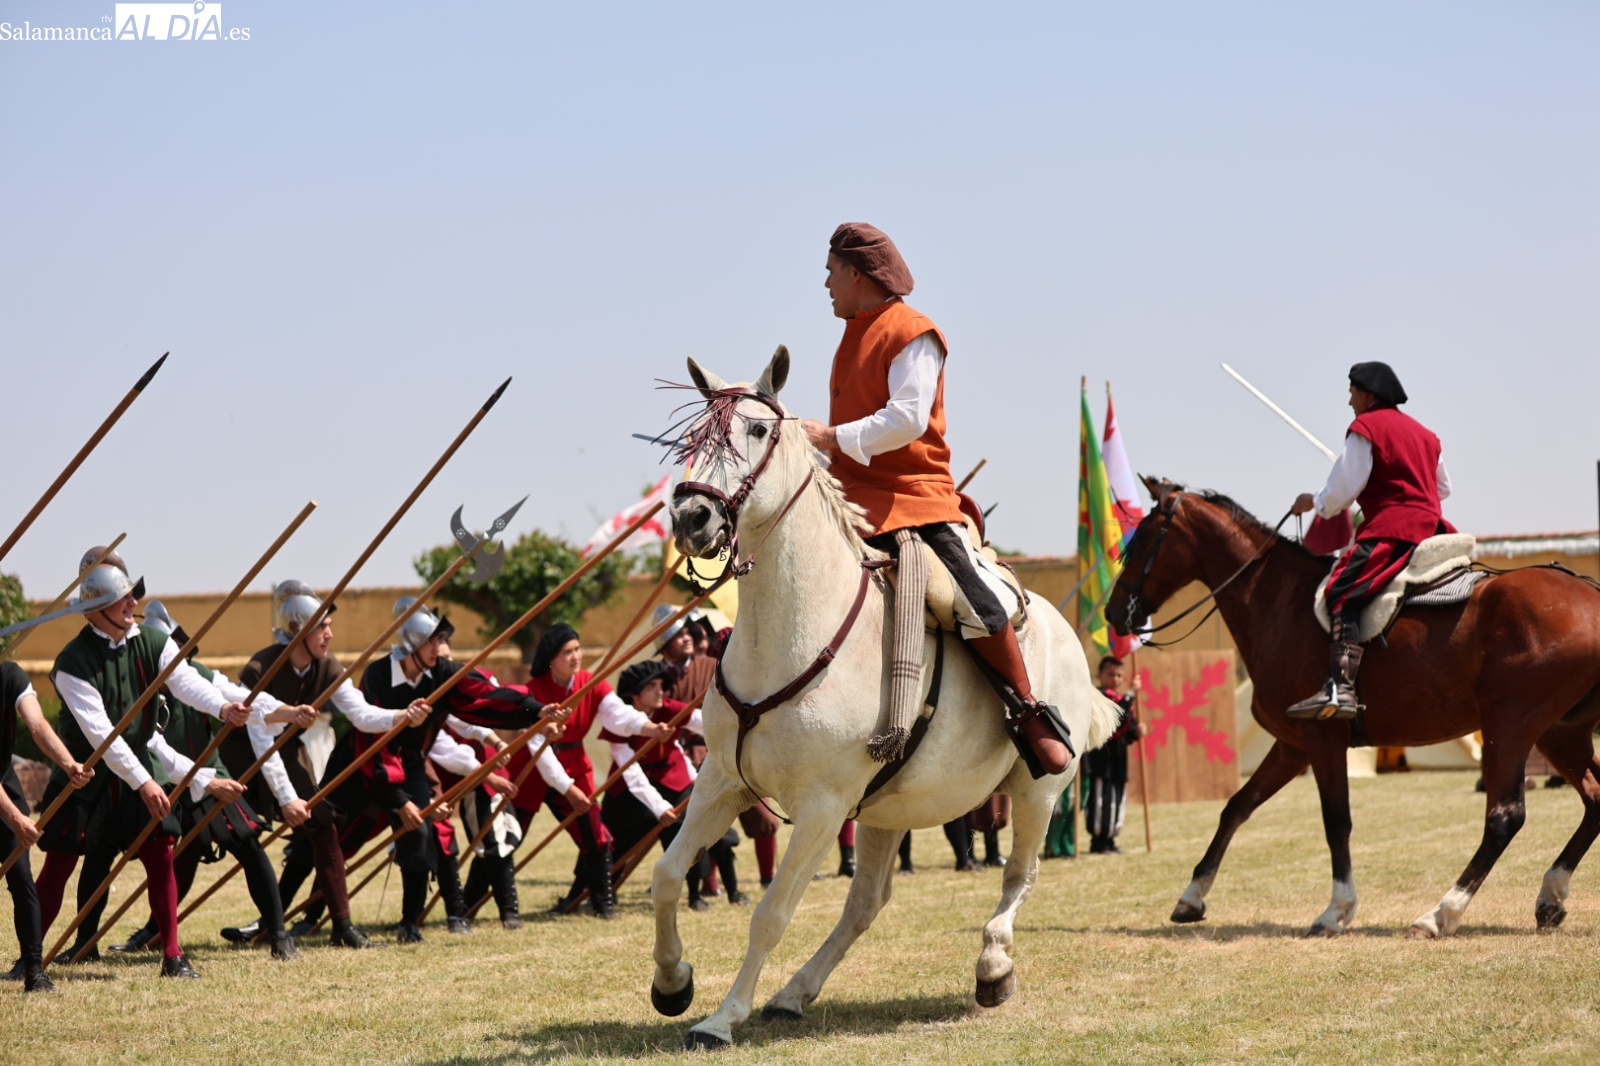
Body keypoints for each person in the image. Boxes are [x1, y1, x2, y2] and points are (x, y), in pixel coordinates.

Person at [801, 222, 1070, 774]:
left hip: (914, 498)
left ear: (856, 274)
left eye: (830, 272)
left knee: (976, 600)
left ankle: (1027, 710)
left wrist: (831, 438)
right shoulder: (851, 333)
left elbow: (906, 419)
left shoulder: (913, 331)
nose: (825, 283)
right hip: (852, 498)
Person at [36, 548, 300, 978]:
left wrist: (221, 709)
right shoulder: (71, 663)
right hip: (87, 773)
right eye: (123, 598)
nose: (133, 603)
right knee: (62, 861)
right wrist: (144, 782)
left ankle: (173, 956)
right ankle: (30, 958)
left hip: (141, 766)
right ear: (96, 608)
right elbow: (103, 736)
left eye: (133, 596)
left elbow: (186, 682)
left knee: (161, 853)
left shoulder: (154, 642)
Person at [220, 581, 428, 949]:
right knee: (225, 839)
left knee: (323, 827)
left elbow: (362, 715)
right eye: (322, 627)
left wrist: (401, 716)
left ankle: (342, 929)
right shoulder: (260, 668)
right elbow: (259, 738)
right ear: (298, 630)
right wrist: (286, 798)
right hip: (239, 758)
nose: (330, 634)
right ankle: (158, 931)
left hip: (283, 753)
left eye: (329, 626)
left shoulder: (327, 666)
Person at [104, 601, 309, 961]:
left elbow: (242, 699)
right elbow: (157, 748)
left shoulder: (196, 674)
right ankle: (153, 932)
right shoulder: (139, 688)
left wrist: (288, 713)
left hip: (211, 774)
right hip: (166, 780)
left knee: (248, 844)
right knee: (171, 857)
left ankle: (277, 933)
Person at [351, 598, 537, 943]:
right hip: (371, 764)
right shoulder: (378, 674)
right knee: (335, 835)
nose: (441, 647)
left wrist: (535, 711)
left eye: (441, 640)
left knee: (424, 834)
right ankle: (309, 916)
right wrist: (399, 798)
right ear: (412, 643)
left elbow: (483, 692)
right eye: (433, 640)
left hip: (412, 766)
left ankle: (415, 921)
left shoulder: (438, 675)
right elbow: (370, 733)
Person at [1288, 363, 1453, 719]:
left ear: (1368, 393)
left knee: (1341, 589)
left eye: (1352, 393)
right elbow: (1443, 489)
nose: (1349, 401)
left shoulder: (1364, 428)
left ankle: (1341, 687)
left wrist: (1313, 501)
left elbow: (1342, 491)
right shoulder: (1427, 435)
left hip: (1393, 532)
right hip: (1434, 530)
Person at [518, 623, 669, 919]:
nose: (575, 656)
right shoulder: (532, 692)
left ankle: (603, 904)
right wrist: (567, 789)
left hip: (575, 764)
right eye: (567, 652)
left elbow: (618, 715)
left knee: (597, 836)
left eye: (577, 648)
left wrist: (648, 727)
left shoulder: (592, 682)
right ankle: (484, 907)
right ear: (552, 657)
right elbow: (540, 750)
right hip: (533, 770)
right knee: (506, 838)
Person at [0, 659, 94, 992]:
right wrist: (14, 818)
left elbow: (37, 724)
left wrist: (69, 764)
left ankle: (34, 971)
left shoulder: (9, 673)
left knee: (23, 881)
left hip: (4, 787)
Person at [1083, 655, 1143, 854]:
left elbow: (1125, 730)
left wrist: (1136, 731)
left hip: (1118, 760)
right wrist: (1130, 695)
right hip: (1101, 759)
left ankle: (1110, 839)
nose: (1115, 679)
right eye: (1111, 675)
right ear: (1100, 675)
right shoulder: (1099, 697)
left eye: (1119, 675)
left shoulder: (1123, 700)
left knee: (1117, 800)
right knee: (1101, 801)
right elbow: (1114, 721)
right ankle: (1099, 841)